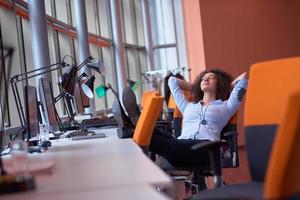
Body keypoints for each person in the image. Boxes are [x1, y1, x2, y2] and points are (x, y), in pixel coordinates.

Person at [149, 69, 248, 167]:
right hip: (181, 143)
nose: (205, 79)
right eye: (203, 78)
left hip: (206, 147)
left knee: (160, 143)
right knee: (147, 131)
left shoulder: (227, 106)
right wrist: (196, 87)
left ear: (219, 84)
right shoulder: (188, 106)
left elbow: (243, 77)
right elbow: (172, 81)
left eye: (211, 78)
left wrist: (226, 87)